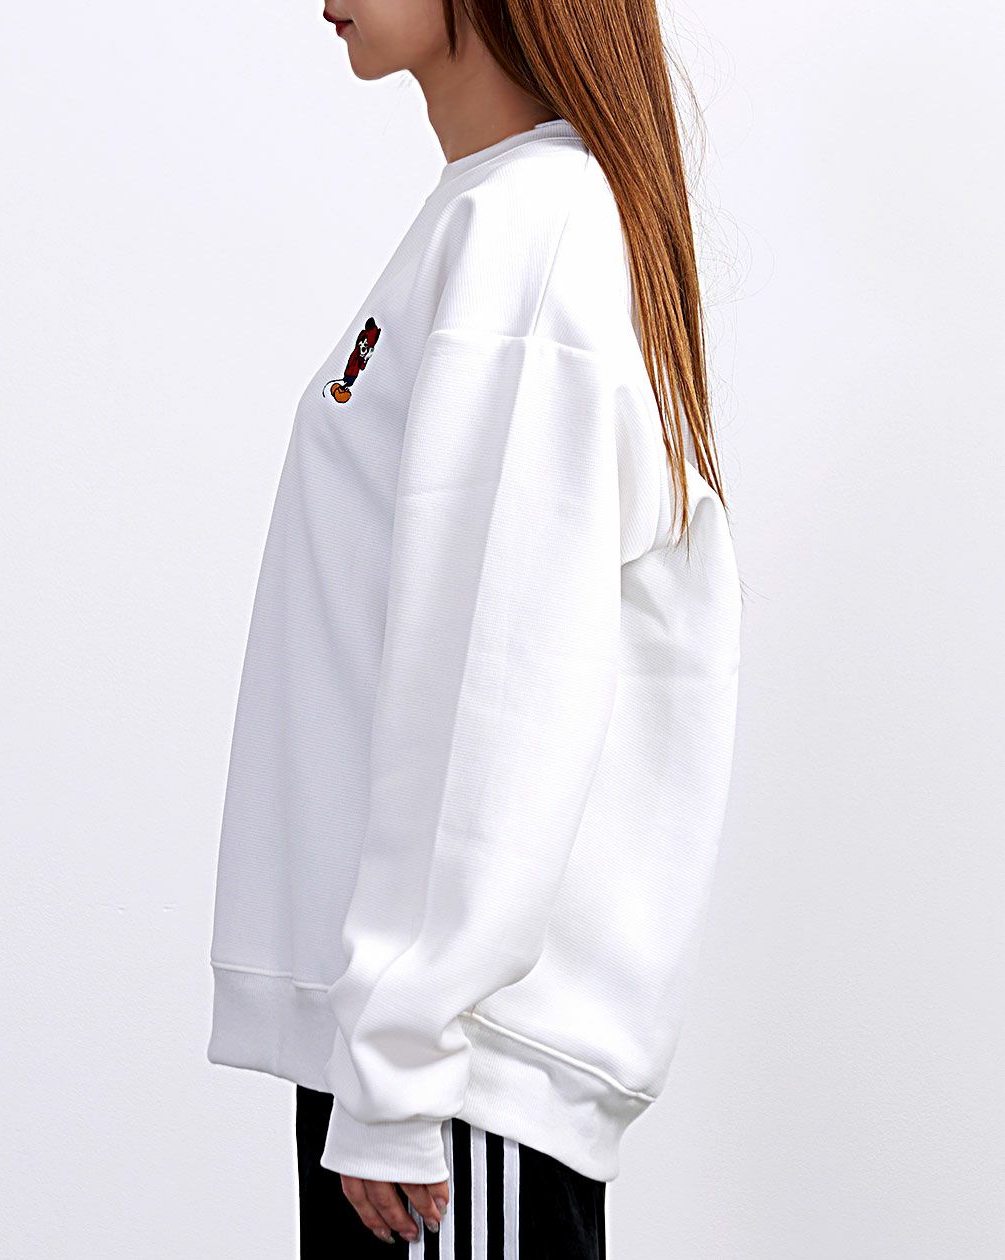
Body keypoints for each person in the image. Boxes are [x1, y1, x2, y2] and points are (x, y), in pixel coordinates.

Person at [206, 0, 743, 1254]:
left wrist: (405, 1062)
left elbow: (503, 677)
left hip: (453, 1080)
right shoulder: (493, 214)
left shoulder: (534, 229)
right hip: (421, 1056)